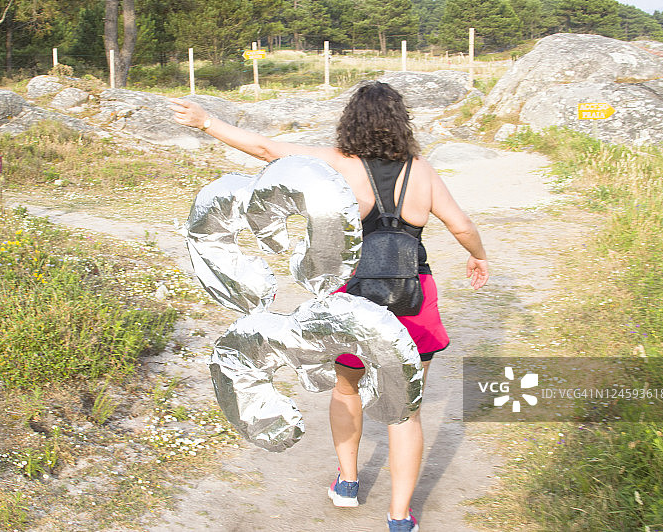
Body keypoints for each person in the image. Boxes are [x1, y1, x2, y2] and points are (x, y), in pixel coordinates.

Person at [171, 81, 488, 532]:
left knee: (346, 389)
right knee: (406, 410)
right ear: (401, 122)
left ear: (351, 122)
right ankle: (400, 517)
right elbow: (461, 226)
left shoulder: (337, 165)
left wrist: (206, 121)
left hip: (352, 299)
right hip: (413, 296)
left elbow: (265, 149)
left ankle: (348, 483)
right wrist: (478, 255)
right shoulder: (422, 171)